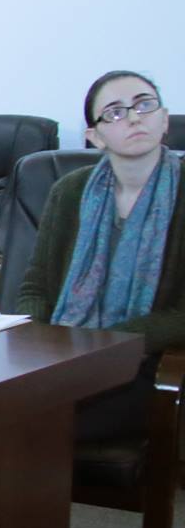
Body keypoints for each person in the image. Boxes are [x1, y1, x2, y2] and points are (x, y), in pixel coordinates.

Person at [17, 70, 185, 442]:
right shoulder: (70, 191)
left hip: (152, 363)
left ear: (163, 119)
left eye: (144, 105)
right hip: (63, 356)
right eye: (115, 112)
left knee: (34, 428)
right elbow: (36, 286)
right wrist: (41, 344)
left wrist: (106, 344)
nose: (134, 118)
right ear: (95, 136)